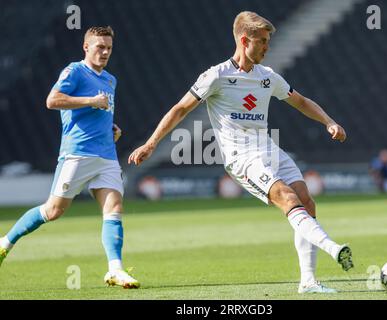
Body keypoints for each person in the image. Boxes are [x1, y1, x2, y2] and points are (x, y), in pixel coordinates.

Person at [128, 12, 353, 293]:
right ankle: (333, 248)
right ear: (244, 40)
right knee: (287, 197)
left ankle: (308, 281)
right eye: (262, 42)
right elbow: (180, 109)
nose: (267, 48)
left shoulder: (267, 77)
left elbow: (301, 101)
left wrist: (329, 121)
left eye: (269, 42)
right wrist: (151, 143)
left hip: (269, 148)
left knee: (307, 202)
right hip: (241, 158)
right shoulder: (216, 76)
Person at [0, 26, 139, 289]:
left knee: (114, 209)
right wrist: (90, 102)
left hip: (106, 155)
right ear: (86, 47)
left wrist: (111, 127)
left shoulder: (110, 79)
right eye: (100, 47)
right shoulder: (74, 71)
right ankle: (5, 242)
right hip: (78, 153)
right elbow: (52, 100)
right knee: (53, 211)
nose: (105, 52)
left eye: (109, 47)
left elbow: (100, 110)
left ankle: (115, 270)